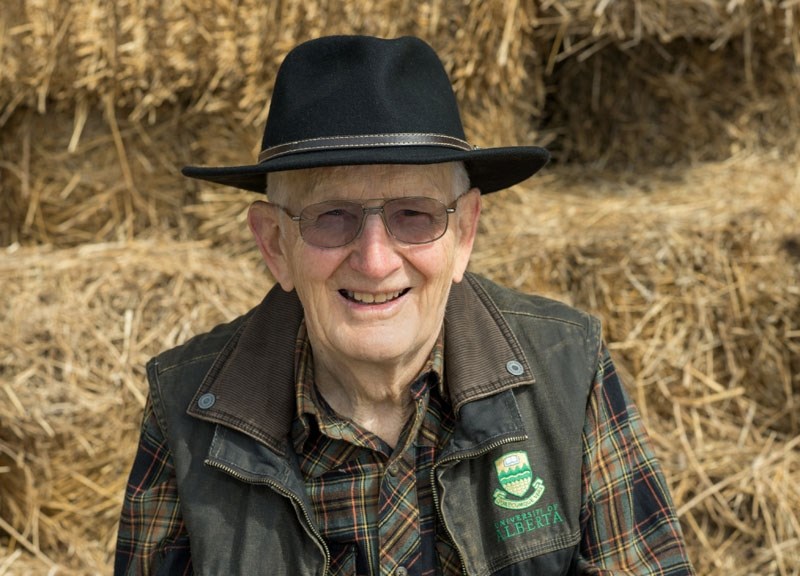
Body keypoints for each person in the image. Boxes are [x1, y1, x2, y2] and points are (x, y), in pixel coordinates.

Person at [115, 35, 694, 575]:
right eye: (330, 217)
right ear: (275, 245)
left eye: (413, 216)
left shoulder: (567, 370)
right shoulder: (189, 407)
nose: (374, 261)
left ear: (464, 233)